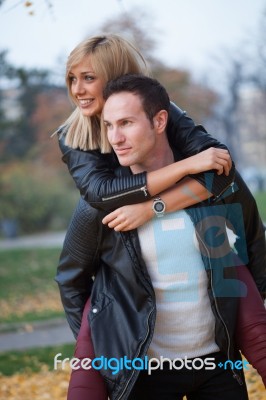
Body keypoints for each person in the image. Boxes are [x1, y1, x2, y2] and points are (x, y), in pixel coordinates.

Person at [56, 74, 266, 399]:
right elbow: (71, 279)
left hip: (217, 368)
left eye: (126, 123)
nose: (116, 137)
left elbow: (252, 241)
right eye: (109, 126)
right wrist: (110, 341)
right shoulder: (101, 206)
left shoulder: (213, 183)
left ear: (159, 121)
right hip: (146, 375)